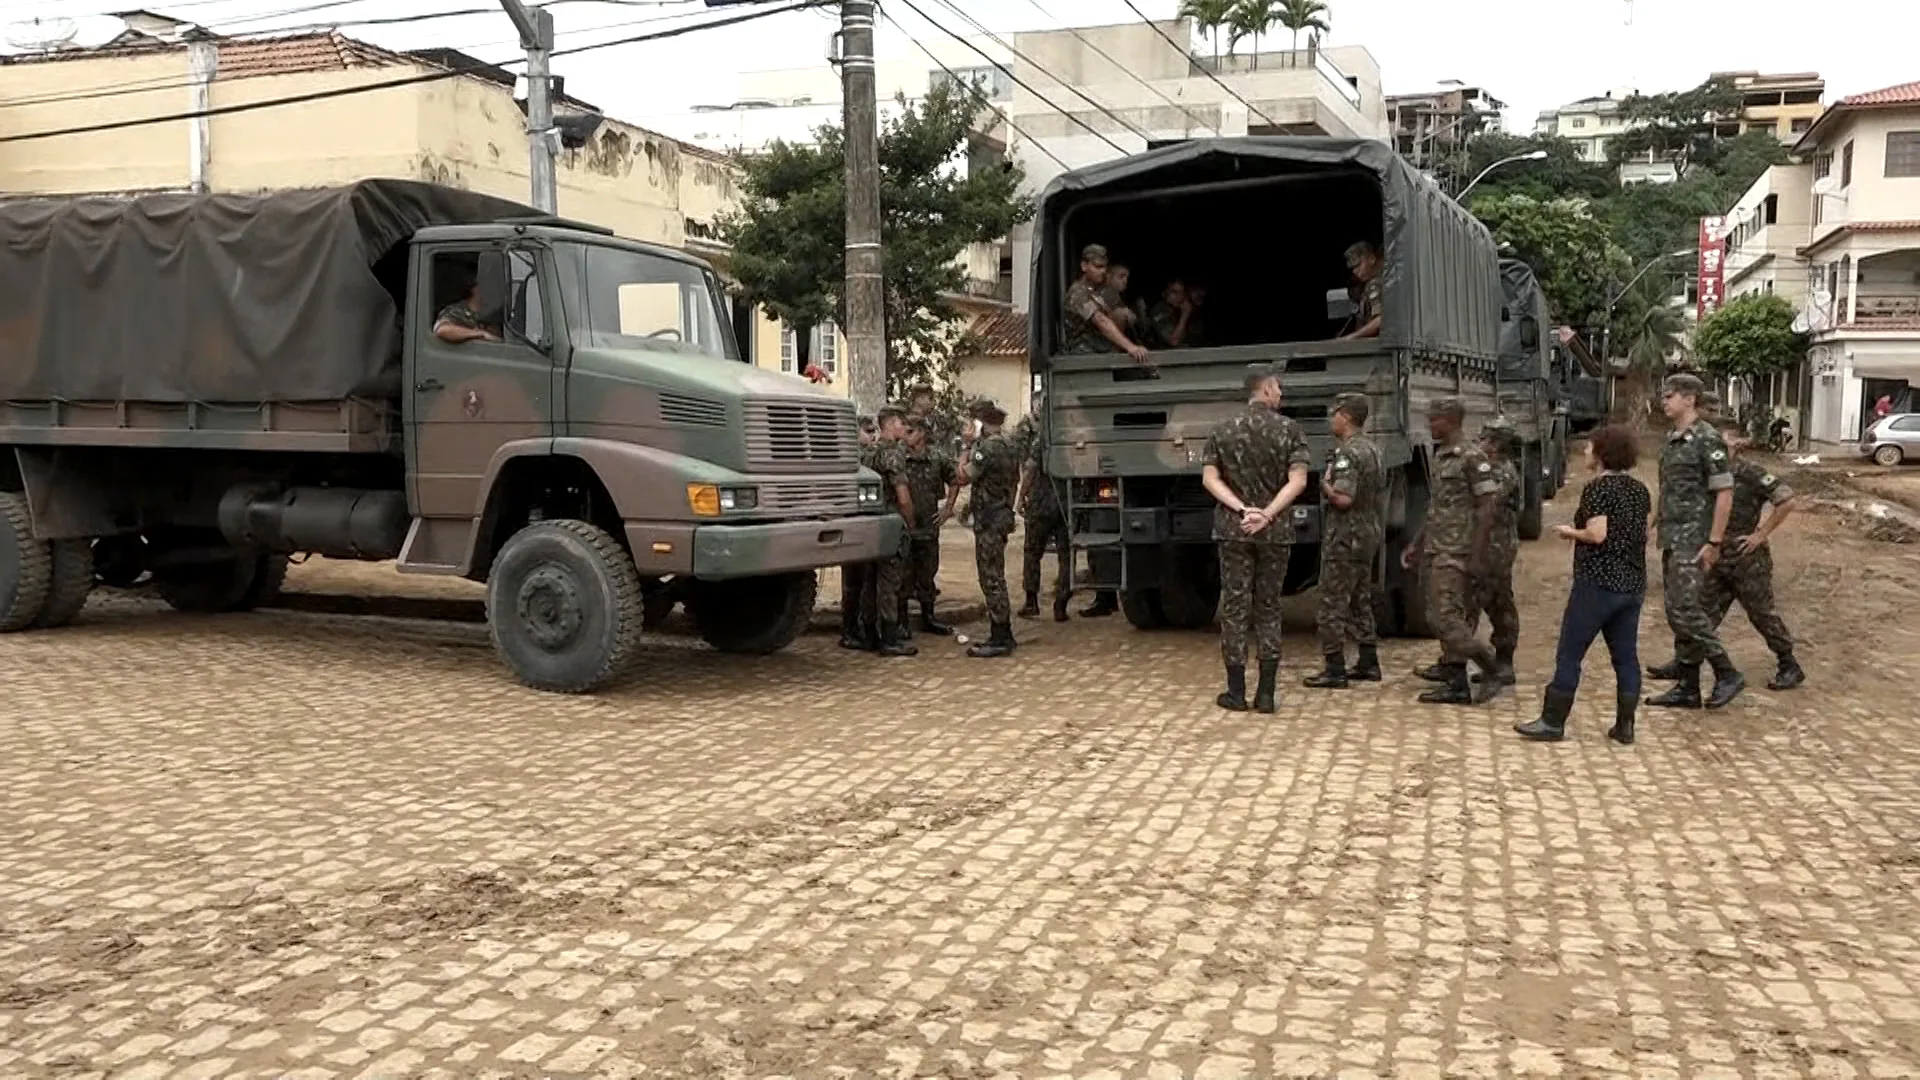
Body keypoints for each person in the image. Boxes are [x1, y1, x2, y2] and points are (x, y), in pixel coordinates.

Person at [1645, 417, 1806, 691]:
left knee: (1762, 613)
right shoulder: (1706, 473)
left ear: (1738, 443)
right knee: (1699, 612)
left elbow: (1786, 499)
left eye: (1725, 439)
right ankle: (1685, 663)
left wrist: (1760, 534)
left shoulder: (1749, 472)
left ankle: (1789, 663)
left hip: (1745, 557)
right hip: (1714, 552)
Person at [1514, 424, 1651, 744]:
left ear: (1603, 454)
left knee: (1570, 653)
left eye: (1590, 448)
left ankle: (1552, 721)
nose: (1586, 453)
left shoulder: (1598, 489)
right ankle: (1625, 725)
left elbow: (1597, 534)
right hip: (1631, 583)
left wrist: (1569, 532)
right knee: (1626, 656)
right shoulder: (1639, 490)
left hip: (1598, 582)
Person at [1201, 363, 1311, 713]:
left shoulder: (1222, 430)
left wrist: (1242, 508)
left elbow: (1210, 479)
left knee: (1234, 606)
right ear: (1264, 389)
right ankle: (1266, 693)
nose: (1281, 393)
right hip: (1275, 532)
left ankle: (1236, 691)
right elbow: (1298, 481)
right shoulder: (1291, 431)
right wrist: (1267, 513)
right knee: (1269, 607)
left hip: (1234, 530)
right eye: (1277, 387)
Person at [1645, 373, 1743, 710]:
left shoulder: (1706, 439)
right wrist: (1654, 520)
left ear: (1689, 399)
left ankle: (1727, 672)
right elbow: (1671, 487)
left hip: (1695, 537)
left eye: (1670, 395)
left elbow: (1724, 492)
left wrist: (1714, 541)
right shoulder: (1673, 438)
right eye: (1664, 395)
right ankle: (1687, 687)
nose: (1664, 401)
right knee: (1675, 611)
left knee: (1688, 608)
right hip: (1673, 535)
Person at [1401, 397, 1505, 705]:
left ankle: (1491, 666)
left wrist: (1476, 555)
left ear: (1451, 421)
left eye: (1434, 420)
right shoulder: (1441, 456)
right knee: (1436, 615)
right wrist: (1417, 543)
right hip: (1437, 545)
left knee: (1447, 619)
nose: (1429, 426)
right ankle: (1456, 683)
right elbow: (1437, 508)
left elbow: (1488, 507)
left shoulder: (1472, 457)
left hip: (1457, 550)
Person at [1304, 392, 1385, 689]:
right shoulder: (1373, 449)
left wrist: (1324, 484)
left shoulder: (1347, 454)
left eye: (1334, 413)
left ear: (1346, 416)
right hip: (1367, 532)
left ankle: (1334, 667)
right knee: (1360, 598)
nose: (1331, 419)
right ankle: (1368, 660)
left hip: (1345, 537)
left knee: (1331, 602)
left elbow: (1343, 498)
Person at [962, 401, 1024, 657]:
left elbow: (964, 475)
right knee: (995, 573)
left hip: (989, 518)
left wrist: (966, 446)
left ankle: (1001, 635)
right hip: (1001, 514)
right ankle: (1002, 631)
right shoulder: (1010, 445)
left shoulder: (985, 448)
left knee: (991, 576)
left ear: (980, 422)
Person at [861, 406, 919, 658]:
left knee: (870, 580)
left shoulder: (868, 452)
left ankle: (869, 634)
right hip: (891, 522)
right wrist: (911, 522)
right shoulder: (893, 454)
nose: (904, 429)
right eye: (901, 424)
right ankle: (890, 638)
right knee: (890, 582)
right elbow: (903, 495)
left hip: (871, 522)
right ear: (892, 423)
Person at [1473, 417, 1523, 684]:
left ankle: (1504, 661)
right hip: (1488, 542)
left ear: (1497, 444)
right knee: (1481, 599)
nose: (1482, 444)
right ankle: (1454, 659)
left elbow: (1488, 504)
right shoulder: (1488, 467)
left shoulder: (1502, 471)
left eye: (1487, 439)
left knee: (1499, 601)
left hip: (1498, 544)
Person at [901, 416, 960, 638]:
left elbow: (955, 480)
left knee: (927, 574)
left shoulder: (937, 457)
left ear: (922, 433)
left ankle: (929, 617)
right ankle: (901, 622)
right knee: (903, 575)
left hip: (927, 524)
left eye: (911, 431)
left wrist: (947, 509)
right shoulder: (898, 456)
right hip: (904, 525)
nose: (907, 436)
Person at [1015, 392, 1071, 623]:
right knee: (1066, 555)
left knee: (1032, 552)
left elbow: (1029, 469)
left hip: (1041, 501)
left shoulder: (1044, 438)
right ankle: (1061, 603)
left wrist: (1020, 498)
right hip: (1067, 502)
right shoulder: (1073, 435)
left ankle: (1032, 602)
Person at [1062, 244, 1149, 363]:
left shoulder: (1098, 291)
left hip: (1101, 349)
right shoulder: (1078, 293)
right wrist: (1130, 347)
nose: (1102, 271)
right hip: (1084, 353)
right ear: (1084, 266)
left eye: (1104, 267)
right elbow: (1101, 320)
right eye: (1097, 267)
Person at [839, 416, 882, 651]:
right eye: (867, 431)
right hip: (852, 524)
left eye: (874, 431)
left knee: (865, 579)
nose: (872, 436)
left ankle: (861, 628)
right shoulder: (850, 460)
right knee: (854, 582)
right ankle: (849, 630)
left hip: (865, 525)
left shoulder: (869, 456)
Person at [434, 277, 502, 344]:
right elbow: (442, 330)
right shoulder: (458, 310)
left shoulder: (485, 314)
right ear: (475, 289)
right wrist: (480, 333)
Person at [1339, 242, 1383, 340]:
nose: (1355, 271)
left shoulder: (1375, 285)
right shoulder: (1366, 286)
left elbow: (1379, 320)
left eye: (1358, 265)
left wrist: (1350, 338)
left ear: (1371, 259)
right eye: (1353, 268)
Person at [1145, 280, 1196, 349]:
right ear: (1164, 293)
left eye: (1182, 292)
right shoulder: (1159, 311)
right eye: (1174, 292)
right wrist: (1185, 315)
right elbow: (1173, 341)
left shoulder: (1181, 309)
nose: (1179, 296)